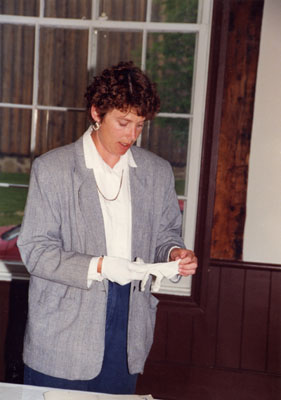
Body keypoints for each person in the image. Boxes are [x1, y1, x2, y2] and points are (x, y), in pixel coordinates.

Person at [18, 61, 198, 394]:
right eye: (123, 122)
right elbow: (36, 251)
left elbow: (166, 235)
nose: (132, 135)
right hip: (62, 333)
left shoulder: (157, 173)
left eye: (140, 125)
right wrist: (99, 266)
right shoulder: (53, 169)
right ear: (97, 113)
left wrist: (175, 252)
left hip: (128, 326)